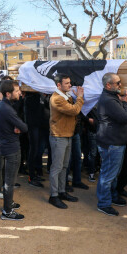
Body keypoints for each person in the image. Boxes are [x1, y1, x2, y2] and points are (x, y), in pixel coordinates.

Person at [96, 73, 127, 216]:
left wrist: (122, 102)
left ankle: (112, 197)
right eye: (117, 83)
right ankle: (104, 203)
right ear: (108, 85)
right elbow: (125, 118)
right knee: (108, 174)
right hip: (111, 142)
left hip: (113, 141)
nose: (120, 85)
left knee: (112, 173)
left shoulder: (111, 97)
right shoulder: (109, 100)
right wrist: (125, 103)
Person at [47, 74, 84, 209]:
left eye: (70, 83)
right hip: (59, 136)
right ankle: (53, 195)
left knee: (64, 166)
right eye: (67, 83)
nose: (70, 85)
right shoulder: (56, 99)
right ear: (59, 85)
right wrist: (80, 97)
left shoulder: (66, 96)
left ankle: (62, 191)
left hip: (67, 135)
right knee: (57, 167)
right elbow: (74, 110)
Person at [0, 80, 29, 220]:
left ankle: (9, 203)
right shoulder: (6, 109)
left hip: (5, 145)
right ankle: (7, 211)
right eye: (16, 91)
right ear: (8, 93)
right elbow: (24, 127)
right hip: (11, 148)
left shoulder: (0, 105)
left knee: (9, 179)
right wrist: (18, 128)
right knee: (10, 180)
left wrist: (16, 127)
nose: (19, 93)